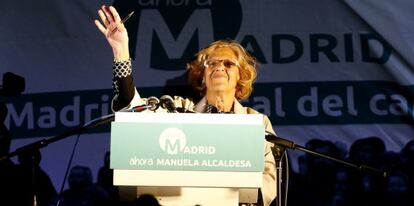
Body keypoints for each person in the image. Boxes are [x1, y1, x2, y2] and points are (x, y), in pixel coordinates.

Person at [95, 5, 278, 206]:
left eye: (228, 64)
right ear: (202, 75)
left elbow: (269, 177)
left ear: (241, 76)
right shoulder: (177, 109)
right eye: (212, 63)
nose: (219, 67)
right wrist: (121, 52)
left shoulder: (257, 122)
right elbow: (131, 109)